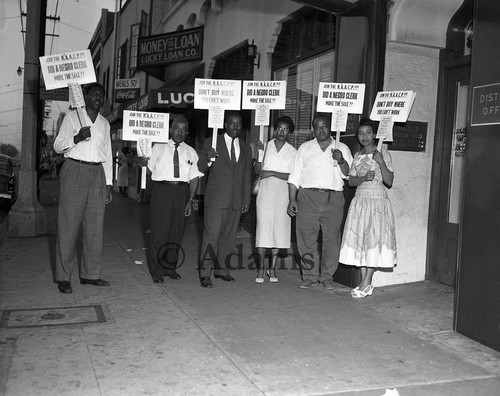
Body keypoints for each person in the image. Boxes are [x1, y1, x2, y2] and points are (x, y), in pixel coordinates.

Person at [53, 83, 113, 294]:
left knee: (94, 226)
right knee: (68, 225)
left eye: (102, 95)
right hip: (74, 170)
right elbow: (58, 146)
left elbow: (108, 155)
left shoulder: (105, 124)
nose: (98, 97)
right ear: (85, 97)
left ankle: (90, 274)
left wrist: (108, 184)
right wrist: (76, 138)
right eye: (94, 94)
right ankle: (63, 277)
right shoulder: (72, 118)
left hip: (97, 173)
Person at [287, 114, 353, 289]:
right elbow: (294, 176)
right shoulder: (305, 148)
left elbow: (349, 174)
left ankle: (327, 276)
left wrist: (341, 160)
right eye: (317, 127)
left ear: (331, 127)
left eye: (325, 126)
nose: (321, 129)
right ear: (313, 129)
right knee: (306, 239)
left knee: (331, 240)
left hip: (333, 199)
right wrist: (292, 199)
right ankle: (309, 275)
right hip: (308, 197)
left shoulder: (342, 147)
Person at [138, 115, 203, 284]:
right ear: (170, 129)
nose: (180, 132)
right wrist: (142, 163)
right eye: (176, 128)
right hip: (162, 191)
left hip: (181, 192)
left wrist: (190, 200)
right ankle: (157, 270)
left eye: (183, 129)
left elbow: (194, 178)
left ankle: (170, 267)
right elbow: (149, 171)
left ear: (187, 132)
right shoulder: (157, 147)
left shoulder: (191, 151)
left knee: (176, 232)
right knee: (159, 232)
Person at [339, 118, 397, 298]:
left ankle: (365, 283)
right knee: (361, 242)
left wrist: (380, 162)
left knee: (373, 241)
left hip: (377, 202)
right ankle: (366, 283)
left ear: (375, 135)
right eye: (361, 133)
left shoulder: (383, 154)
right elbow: (351, 181)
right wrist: (364, 178)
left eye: (368, 133)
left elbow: (389, 181)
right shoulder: (357, 156)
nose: (364, 137)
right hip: (360, 201)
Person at [197, 111, 252, 288]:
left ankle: (222, 269)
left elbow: (246, 175)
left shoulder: (245, 147)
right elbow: (200, 167)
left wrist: (246, 199)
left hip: (236, 199)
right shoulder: (212, 142)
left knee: (229, 237)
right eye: (232, 123)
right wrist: (208, 158)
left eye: (239, 123)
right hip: (216, 198)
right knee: (211, 235)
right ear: (225, 124)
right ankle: (205, 273)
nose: (235, 127)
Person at [254, 116, 297, 283]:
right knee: (263, 228)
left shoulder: (293, 152)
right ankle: (260, 269)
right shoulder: (265, 146)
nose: (282, 132)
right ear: (275, 129)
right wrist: (259, 154)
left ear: (290, 132)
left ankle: (272, 268)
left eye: (285, 129)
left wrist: (272, 172)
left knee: (280, 229)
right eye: (279, 128)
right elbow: (258, 170)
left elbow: (293, 175)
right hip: (265, 192)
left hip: (283, 193)